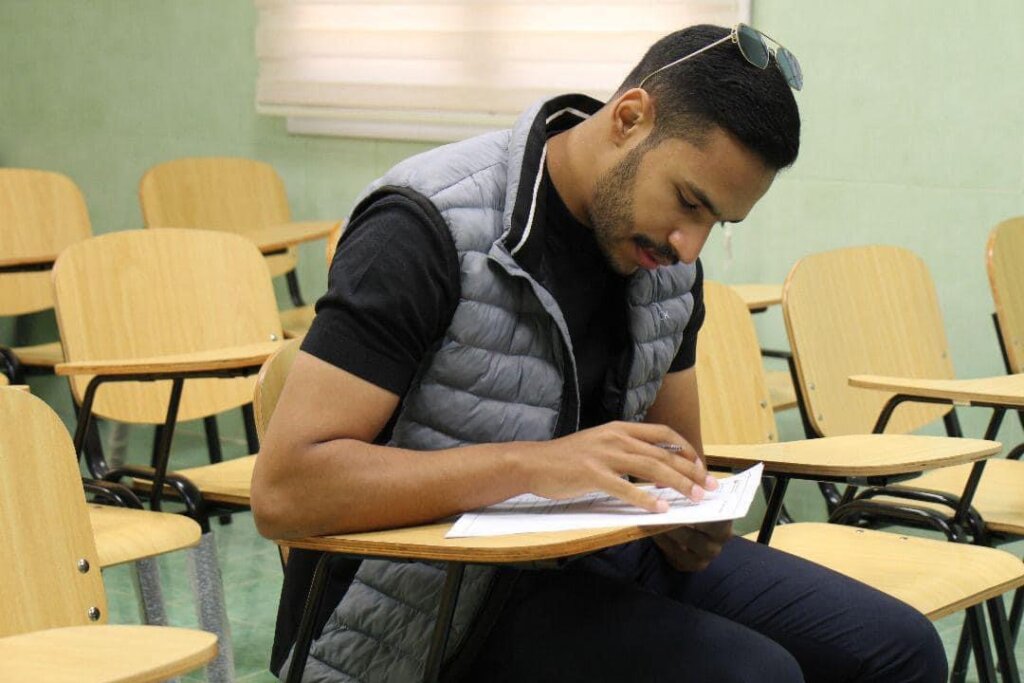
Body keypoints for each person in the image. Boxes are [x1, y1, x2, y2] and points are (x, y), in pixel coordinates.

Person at [252, 23, 947, 683]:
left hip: (595, 554)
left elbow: (676, 457)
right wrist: (532, 467)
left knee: (899, 651)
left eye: (718, 222)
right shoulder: (425, 224)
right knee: (754, 674)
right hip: (427, 595)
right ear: (629, 119)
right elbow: (285, 491)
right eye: (689, 202)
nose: (690, 246)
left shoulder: (666, 261)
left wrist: (694, 516)